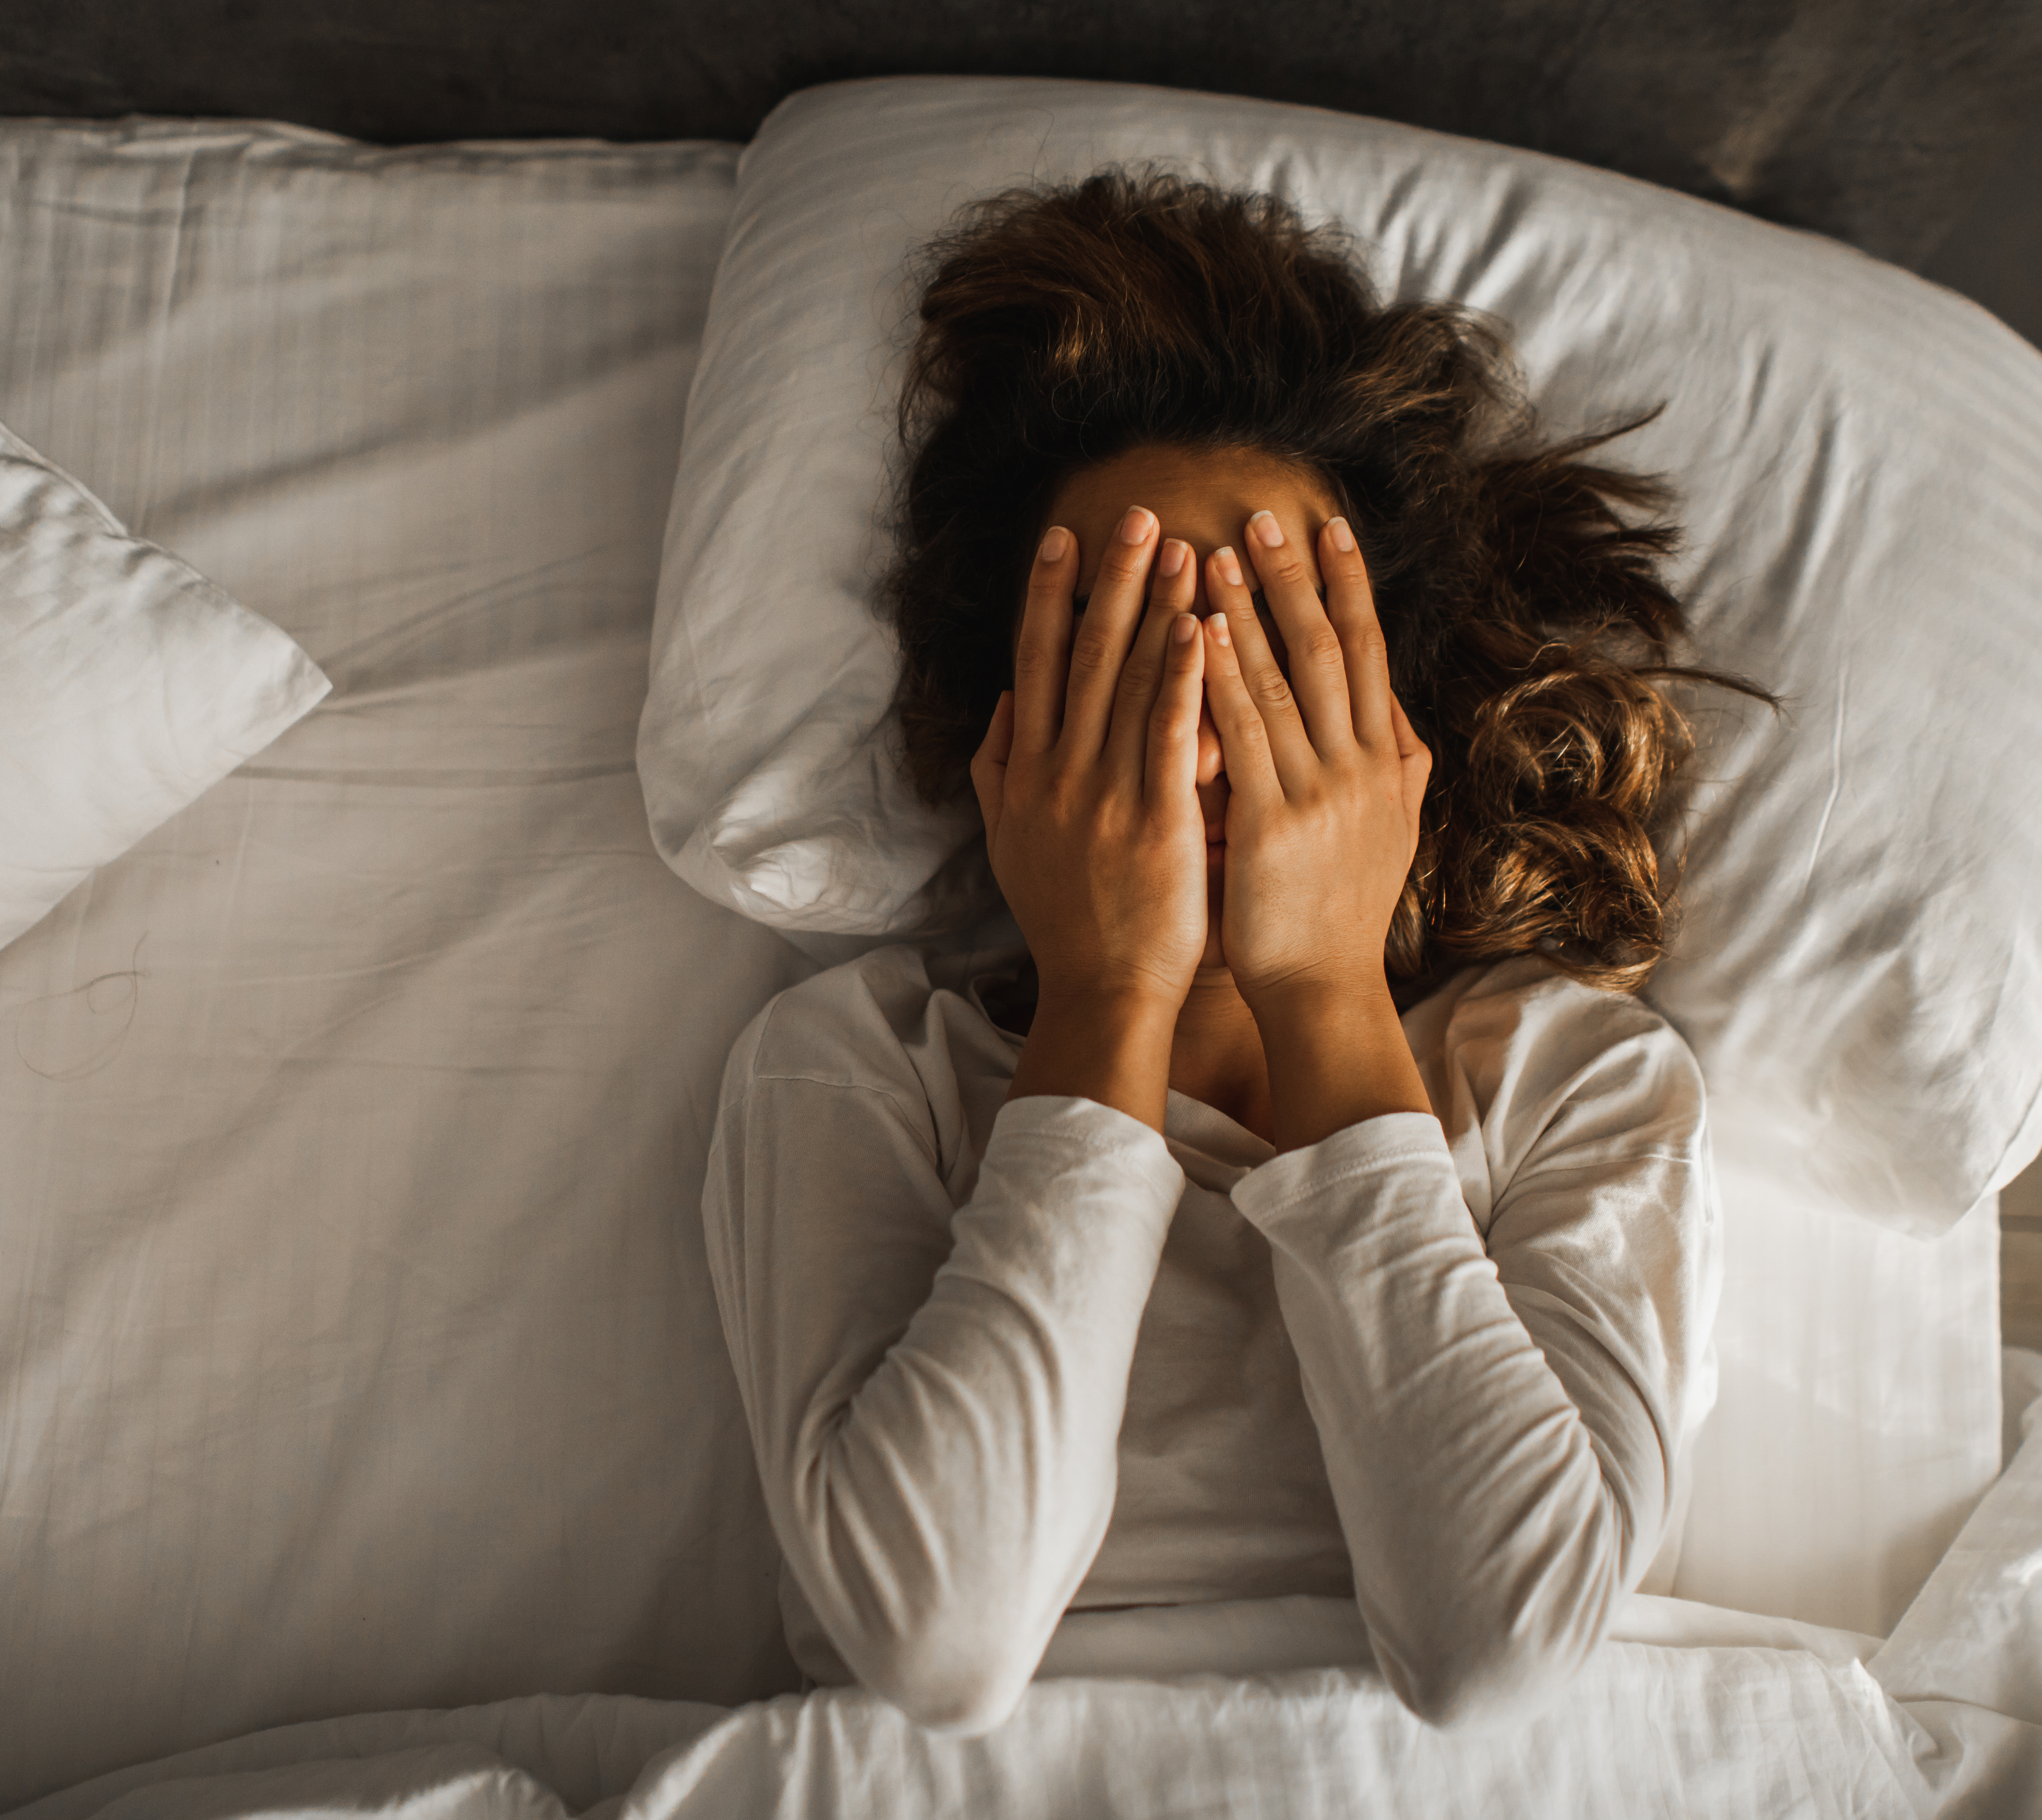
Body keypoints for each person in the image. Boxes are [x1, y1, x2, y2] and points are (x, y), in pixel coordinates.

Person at [700, 170, 1771, 1736]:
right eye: (1126, 658)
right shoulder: (859, 1067)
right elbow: (939, 1640)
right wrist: (1108, 997)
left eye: (1276, 658)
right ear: (1004, 732)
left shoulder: (1566, 1078)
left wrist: (1327, 992)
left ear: (1391, 726)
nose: (1206, 746)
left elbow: (1500, 1652)